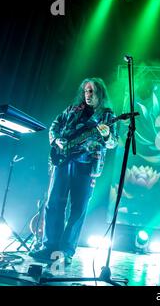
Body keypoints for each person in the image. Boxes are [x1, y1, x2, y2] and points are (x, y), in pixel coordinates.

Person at [29, 78, 118, 265]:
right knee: (53, 204)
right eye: (86, 91)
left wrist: (106, 134)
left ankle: (66, 251)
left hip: (87, 167)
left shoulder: (108, 116)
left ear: (100, 93)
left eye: (92, 91)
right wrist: (57, 140)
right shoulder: (72, 110)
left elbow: (113, 143)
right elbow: (54, 126)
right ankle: (49, 247)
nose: (88, 95)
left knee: (78, 209)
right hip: (62, 161)